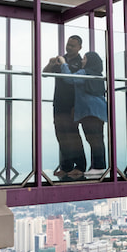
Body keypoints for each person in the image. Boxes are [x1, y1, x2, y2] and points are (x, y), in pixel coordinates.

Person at [43, 35, 85, 179]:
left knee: (73, 135)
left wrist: (63, 64)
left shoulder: (81, 62)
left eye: (72, 45)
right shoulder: (61, 59)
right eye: (68, 44)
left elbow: (72, 80)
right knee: (61, 135)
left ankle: (80, 166)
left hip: (73, 104)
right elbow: (45, 73)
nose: (69, 48)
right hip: (59, 103)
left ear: (79, 47)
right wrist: (50, 64)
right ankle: (66, 167)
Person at [60, 51, 107, 177]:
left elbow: (68, 79)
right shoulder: (98, 75)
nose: (82, 61)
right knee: (97, 139)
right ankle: (98, 166)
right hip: (99, 112)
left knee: (93, 140)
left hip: (89, 112)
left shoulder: (85, 73)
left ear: (90, 61)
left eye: (85, 58)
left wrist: (64, 64)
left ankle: (99, 167)